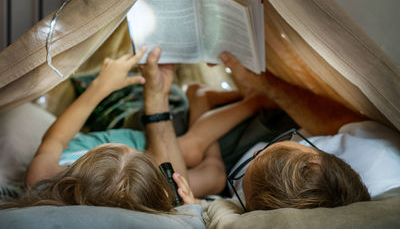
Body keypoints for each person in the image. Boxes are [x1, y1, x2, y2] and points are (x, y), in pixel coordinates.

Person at [0, 46, 269, 212]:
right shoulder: (154, 194)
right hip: (142, 177)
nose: (134, 150)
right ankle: (203, 101)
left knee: (190, 152)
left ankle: (252, 101)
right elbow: (172, 178)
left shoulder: (43, 178)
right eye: (139, 154)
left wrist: (101, 86)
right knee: (214, 178)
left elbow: (57, 138)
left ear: (75, 170)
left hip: (141, 164)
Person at [219, 51, 400, 211]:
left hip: (230, 160)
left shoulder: (267, 202)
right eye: (302, 144)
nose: (257, 152)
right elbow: (338, 121)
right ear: (354, 172)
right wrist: (261, 82)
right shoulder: (381, 156)